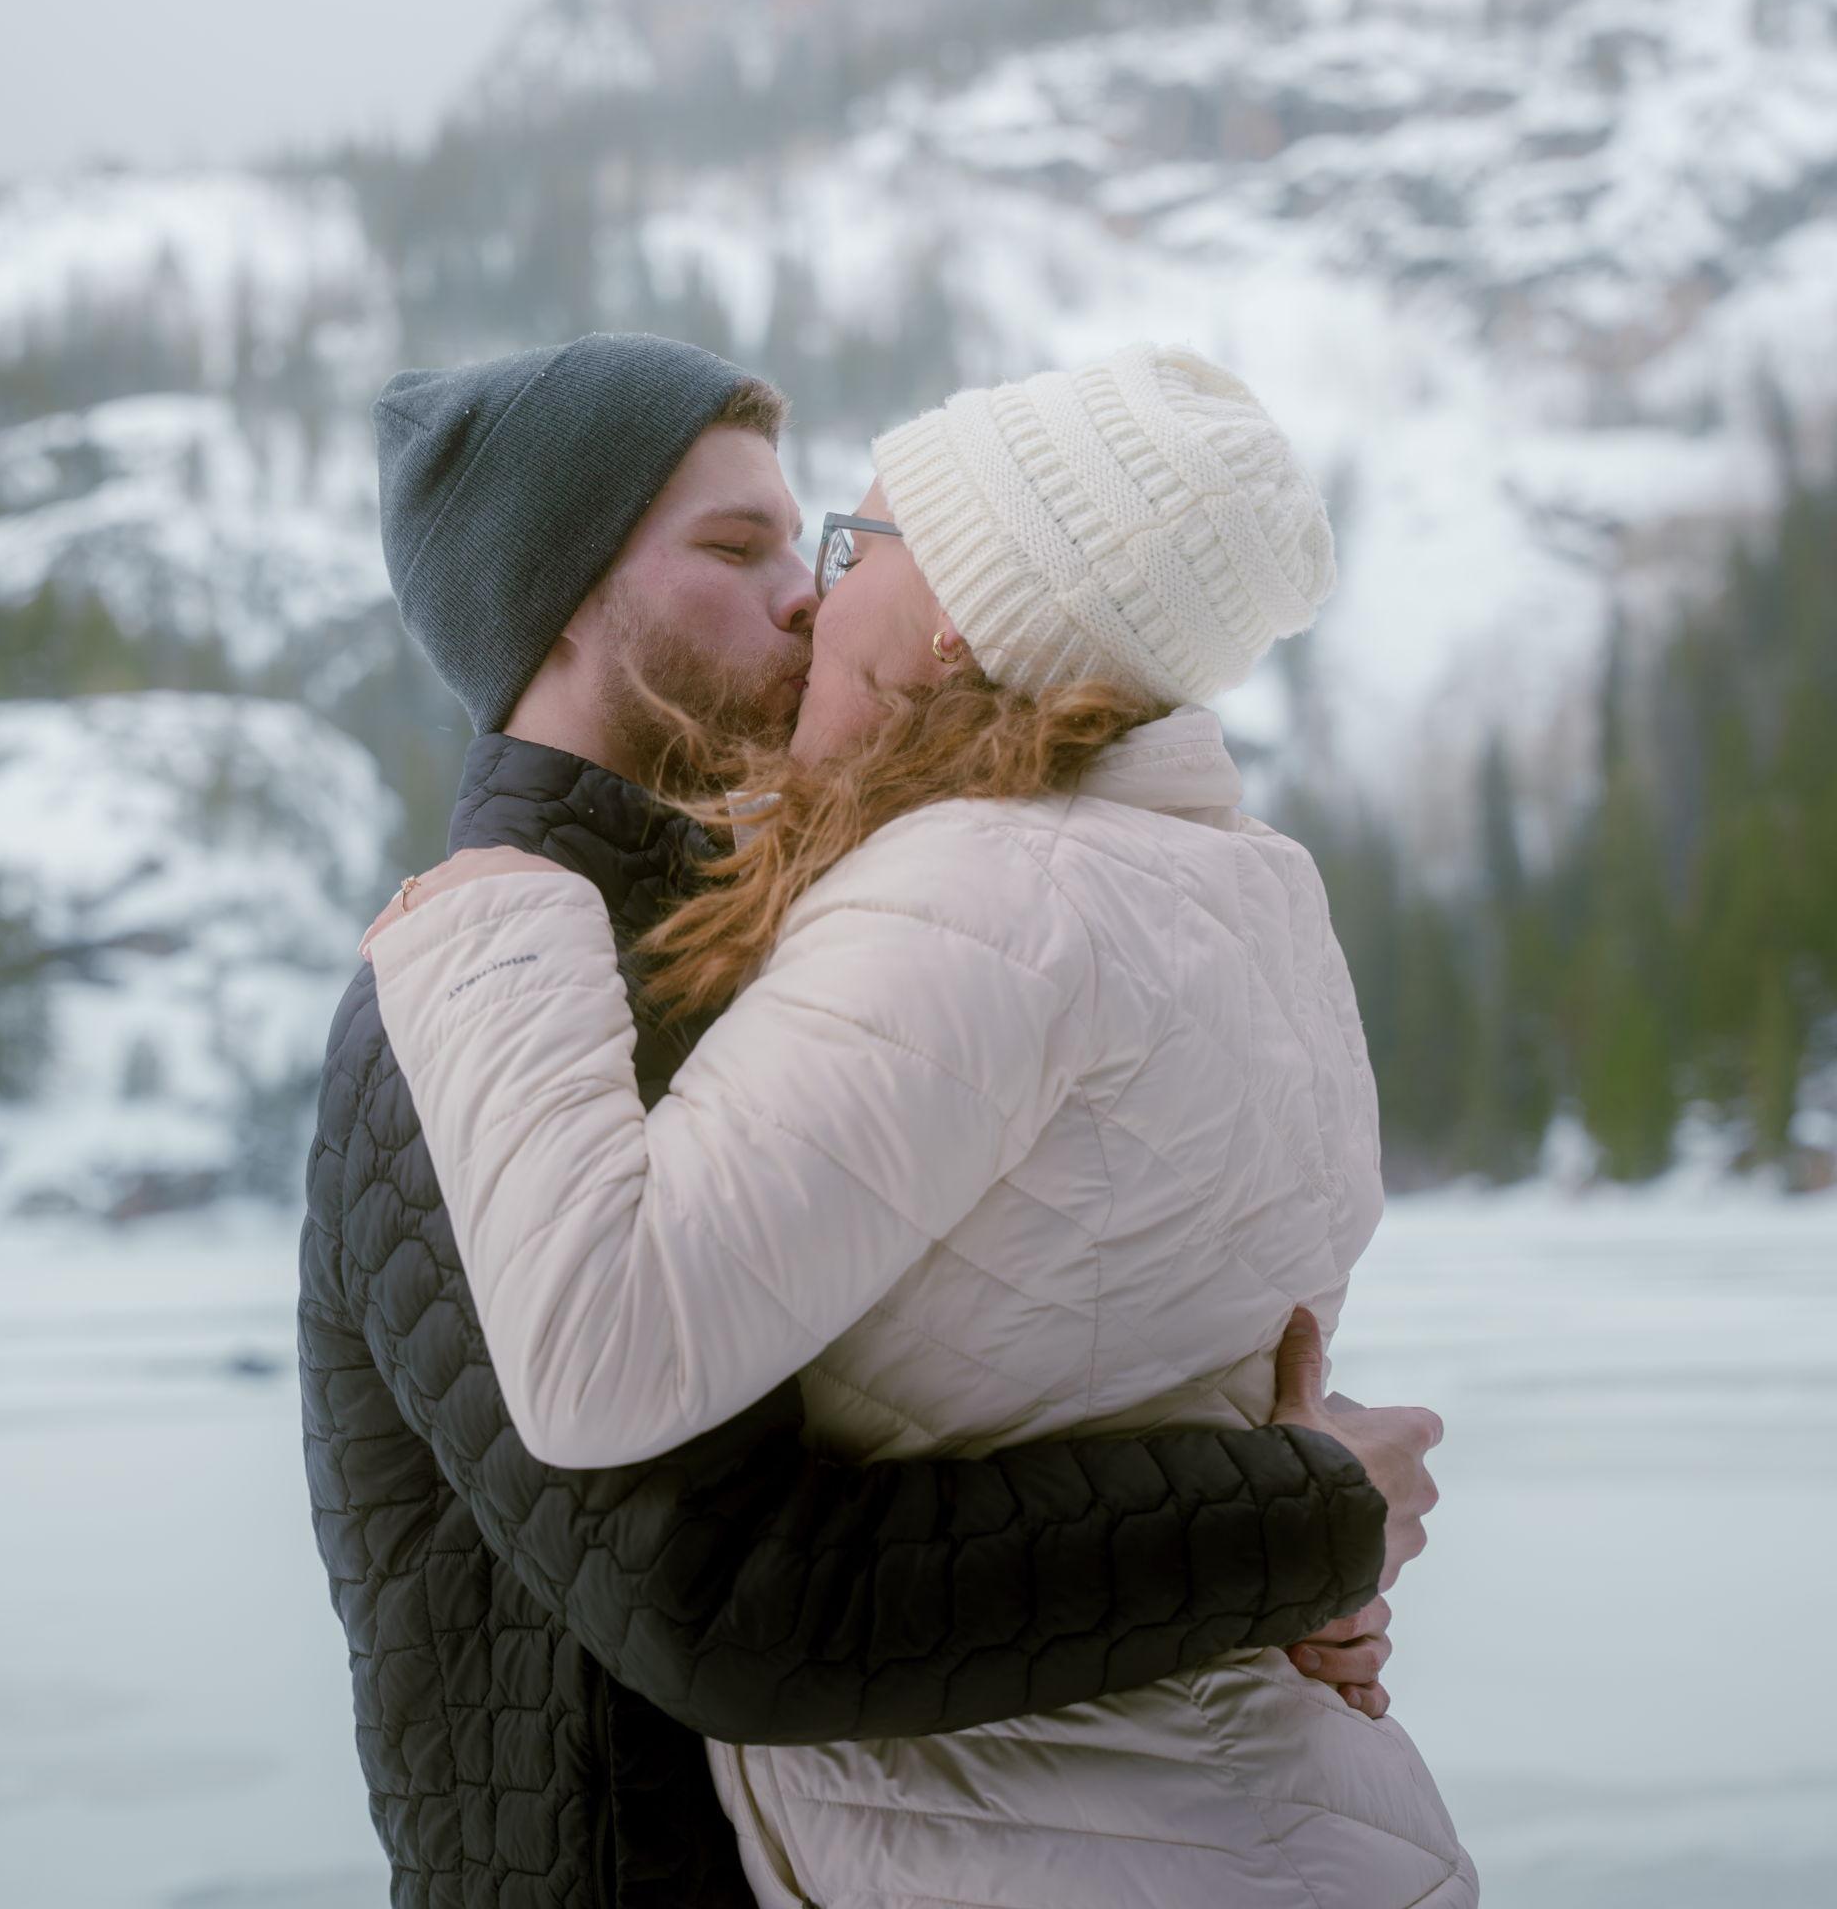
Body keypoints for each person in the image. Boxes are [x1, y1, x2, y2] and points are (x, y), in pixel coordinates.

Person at [304, 331, 1444, 1909]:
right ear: (562, 602)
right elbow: (728, 1601)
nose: (806, 589)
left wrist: (1266, 1519)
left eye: (809, 537)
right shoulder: (461, 1017)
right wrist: (1287, 1529)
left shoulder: (814, 940)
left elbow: (1017, 1365)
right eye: (733, 545)